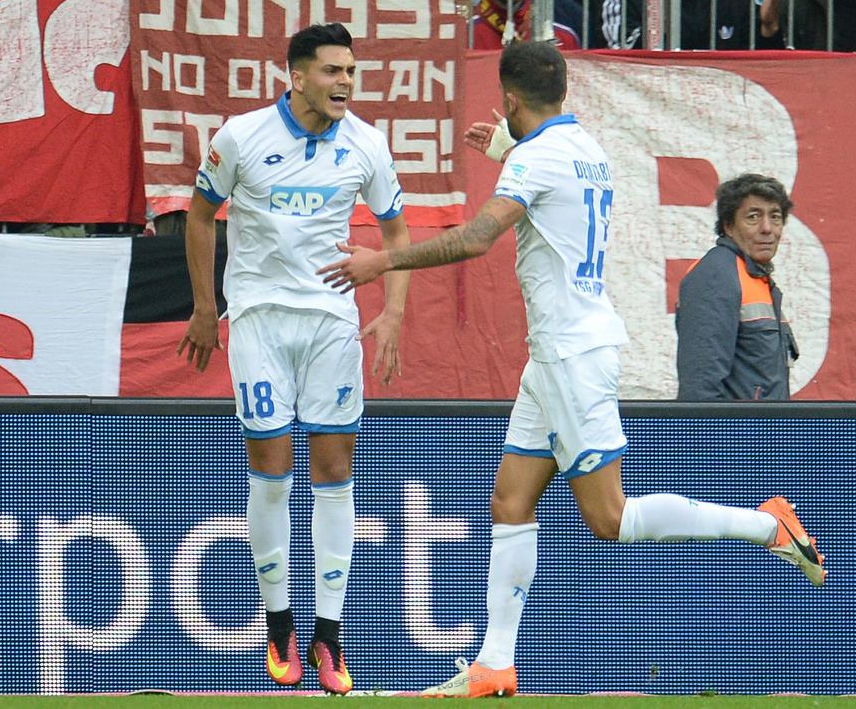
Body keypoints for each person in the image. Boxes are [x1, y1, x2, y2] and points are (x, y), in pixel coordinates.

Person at [317, 40, 825, 698]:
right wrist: (507, 150)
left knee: (609, 518)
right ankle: (495, 664)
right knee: (510, 498)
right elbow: (554, 196)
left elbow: (476, 237)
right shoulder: (584, 147)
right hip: (559, 352)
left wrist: (380, 261)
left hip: (570, 355)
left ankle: (768, 526)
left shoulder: (537, 157)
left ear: (509, 99)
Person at [176, 23, 411, 696]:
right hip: (257, 320)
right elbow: (199, 215)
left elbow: (394, 232)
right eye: (332, 71)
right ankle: (278, 624)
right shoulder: (241, 138)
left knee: (335, 471)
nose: (345, 83)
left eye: (350, 72)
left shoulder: (366, 143)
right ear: (297, 77)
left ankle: (328, 638)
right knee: (270, 470)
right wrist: (202, 307)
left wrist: (391, 312)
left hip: (332, 322)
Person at [675, 174, 799, 401]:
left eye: (775, 217)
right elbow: (699, 389)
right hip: (736, 435)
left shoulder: (754, 276)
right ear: (728, 226)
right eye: (753, 217)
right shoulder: (716, 276)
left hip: (764, 433)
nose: (767, 228)